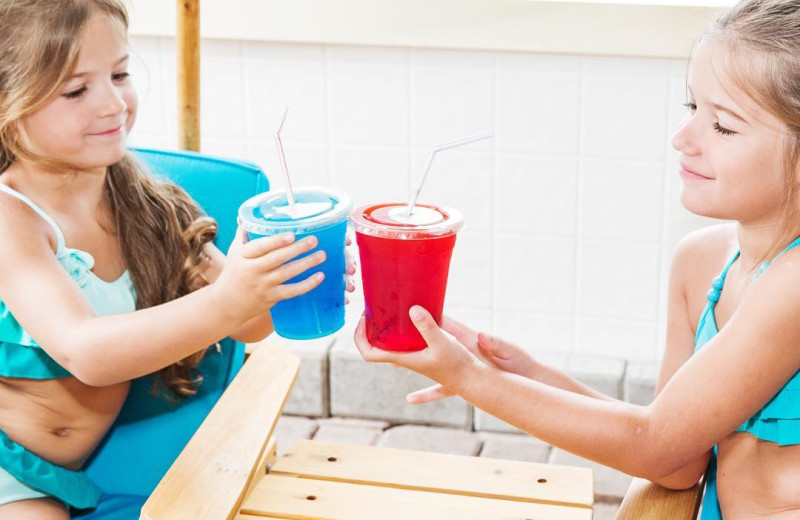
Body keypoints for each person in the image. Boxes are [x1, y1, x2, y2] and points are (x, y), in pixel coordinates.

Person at [355, 0, 800, 517]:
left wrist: (472, 380)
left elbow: (654, 443)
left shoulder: (793, 287)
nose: (683, 139)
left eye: (722, 125)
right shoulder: (700, 262)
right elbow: (675, 456)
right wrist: (528, 375)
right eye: (691, 108)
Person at [0, 1, 353, 518]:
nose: (113, 104)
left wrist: (276, 278)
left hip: (57, 477)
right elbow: (86, 352)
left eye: (120, 74)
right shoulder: (13, 220)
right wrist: (230, 299)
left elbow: (249, 327)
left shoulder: (152, 205)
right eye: (76, 90)